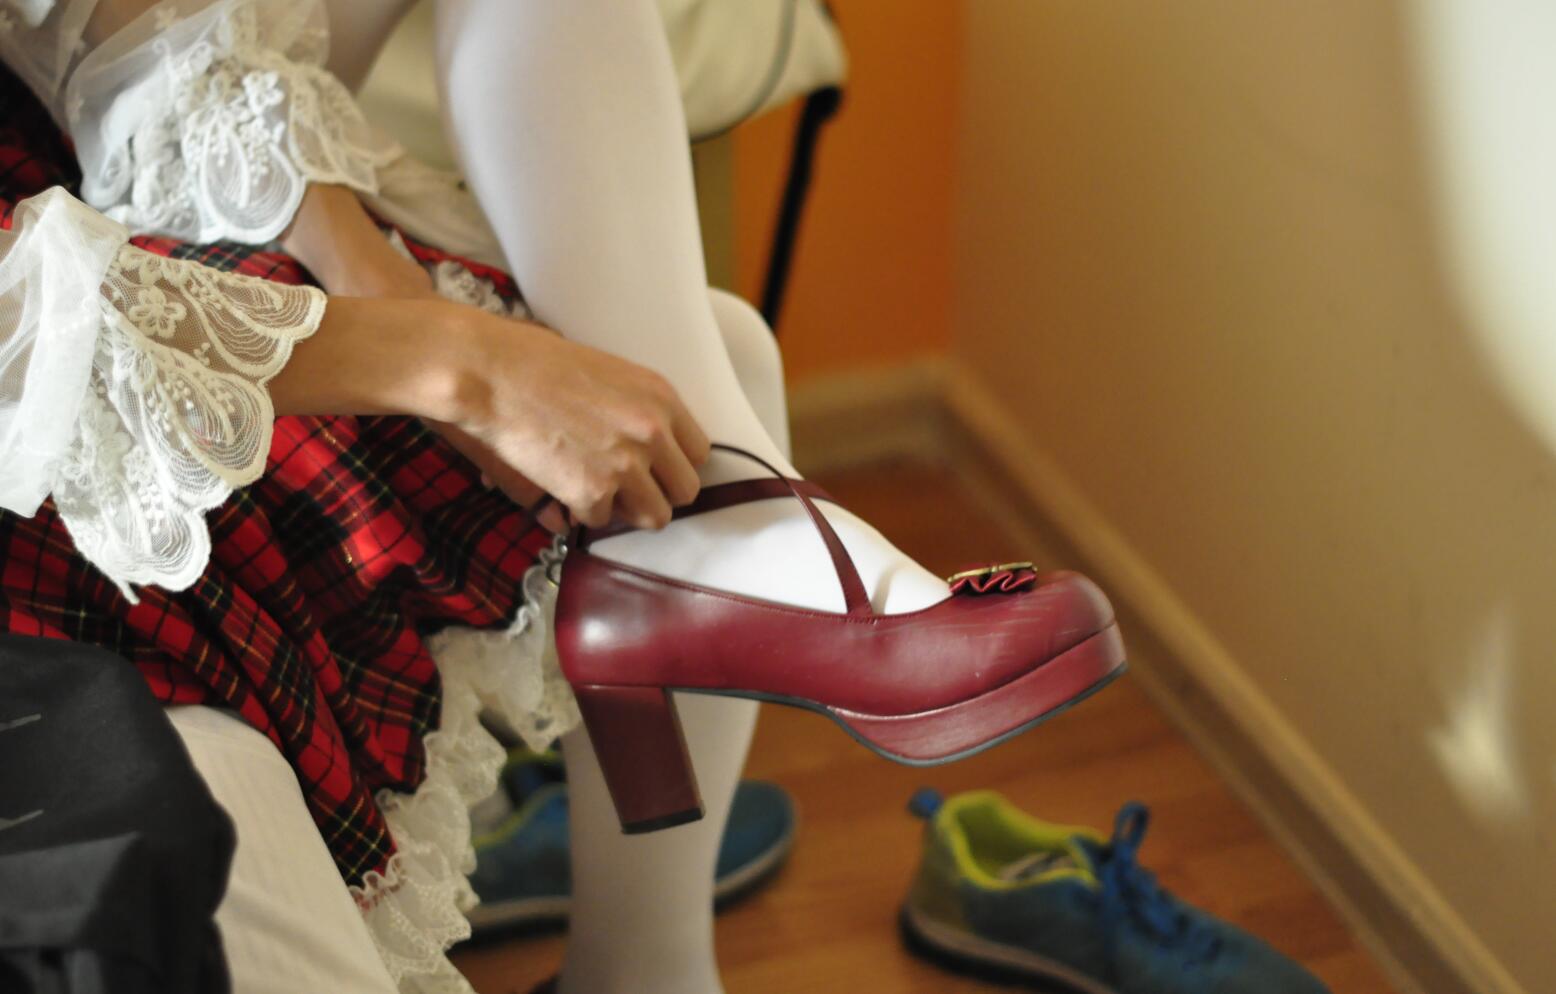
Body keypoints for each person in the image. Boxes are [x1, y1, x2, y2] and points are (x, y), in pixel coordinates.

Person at [0, 1, 1124, 992]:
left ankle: (725, 549)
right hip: (48, 365)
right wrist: (457, 365)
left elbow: (119, 39)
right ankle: (730, 540)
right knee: (718, 357)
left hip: (70, 189)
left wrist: (381, 284)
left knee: (701, 373)